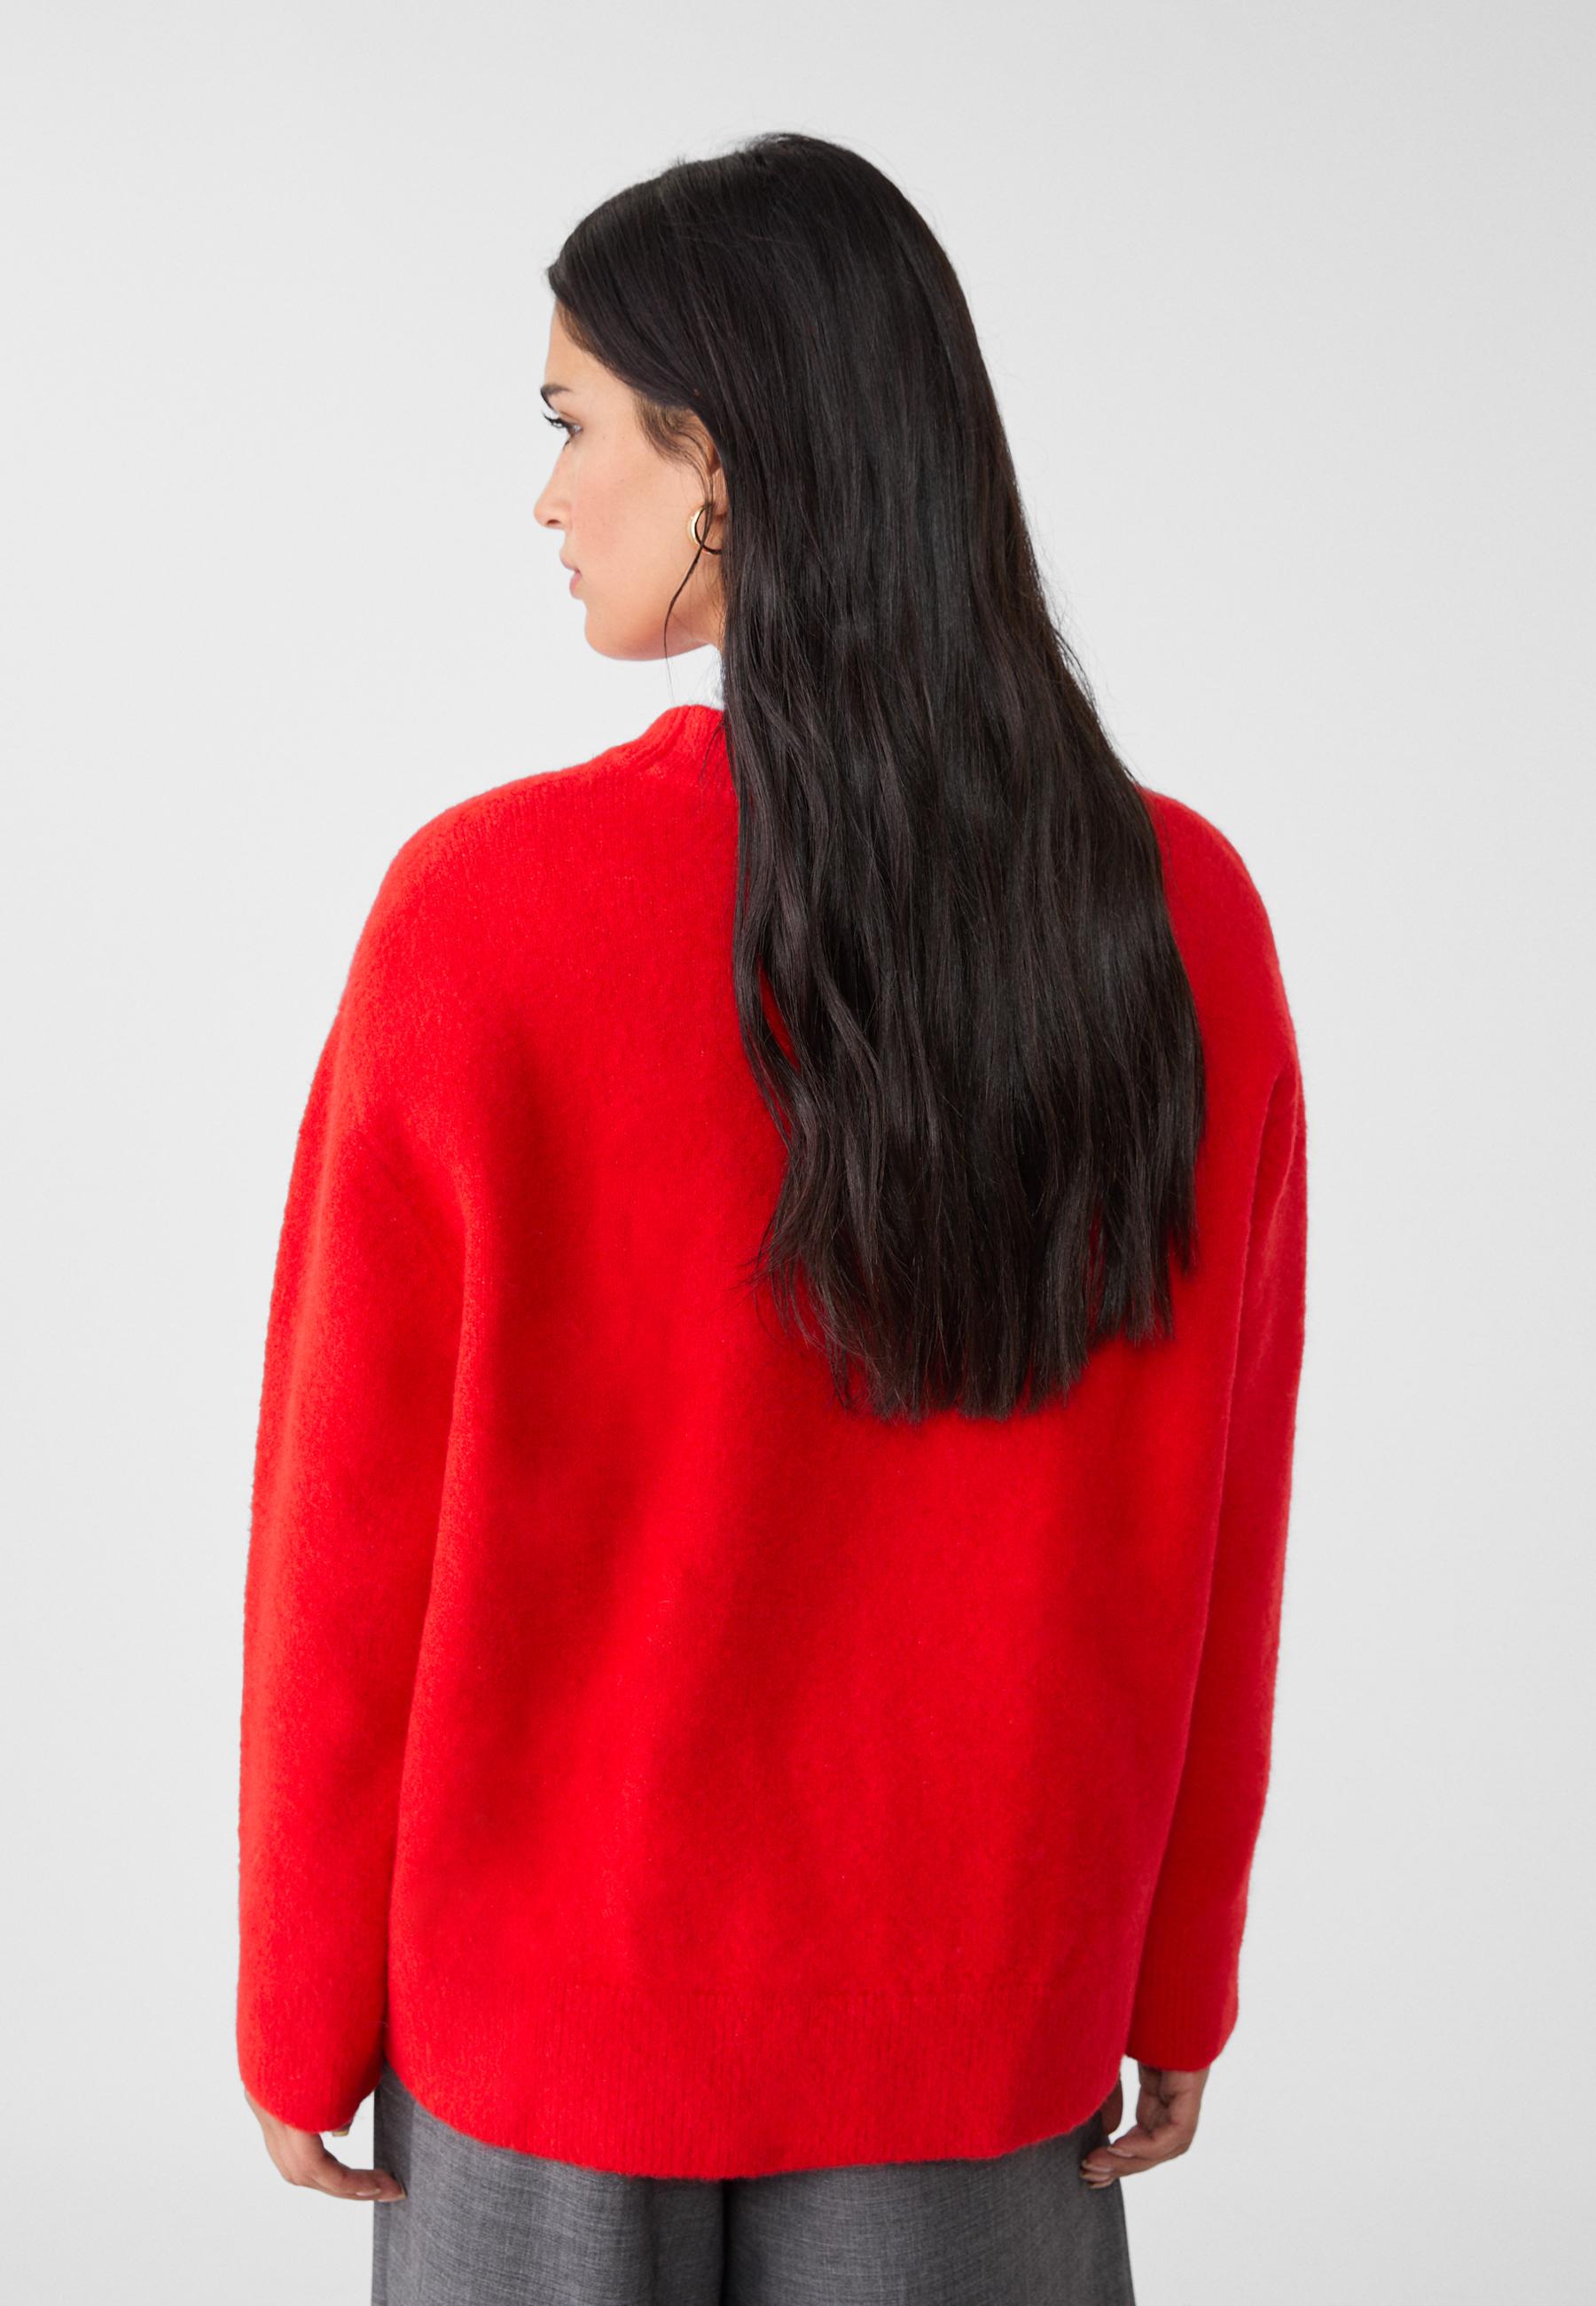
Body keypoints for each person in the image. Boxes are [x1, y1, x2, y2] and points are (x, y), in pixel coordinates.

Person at [237, 131, 1309, 2305]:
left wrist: (295, 1997)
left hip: (545, 2030)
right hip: (980, 2022)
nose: (547, 496)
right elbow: (1213, 1507)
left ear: (714, 459)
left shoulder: (482, 920)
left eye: (575, 423)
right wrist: (1178, 1966)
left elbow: (347, 1527)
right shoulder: (1175, 919)